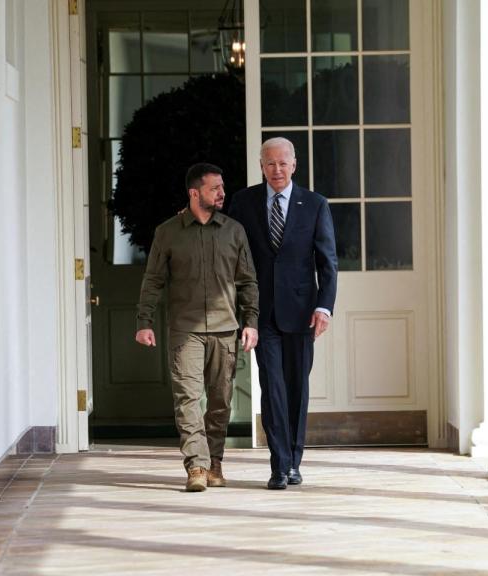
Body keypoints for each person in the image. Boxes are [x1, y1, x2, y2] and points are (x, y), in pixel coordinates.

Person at [135, 162, 259, 492]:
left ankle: (214, 460)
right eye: (214, 188)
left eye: (222, 187)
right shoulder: (168, 232)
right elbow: (153, 281)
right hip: (185, 329)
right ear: (195, 193)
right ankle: (197, 466)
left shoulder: (234, 231)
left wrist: (251, 322)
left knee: (220, 402)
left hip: (225, 328)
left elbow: (247, 282)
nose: (222, 193)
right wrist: (143, 322)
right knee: (188, 399)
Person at [228, 137, 338, 490]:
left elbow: (328, 262)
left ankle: (294, 460)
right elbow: (227, 249)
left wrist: (324, 307)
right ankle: (279, 466)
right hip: (261, 313)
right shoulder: (243, 203)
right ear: (261, 166)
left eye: (282, 163)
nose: (276, 169)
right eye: (269, 163)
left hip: (303, 312)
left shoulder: (315, 205)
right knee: (271, 386)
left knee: (296, 388)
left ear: (294, 165)